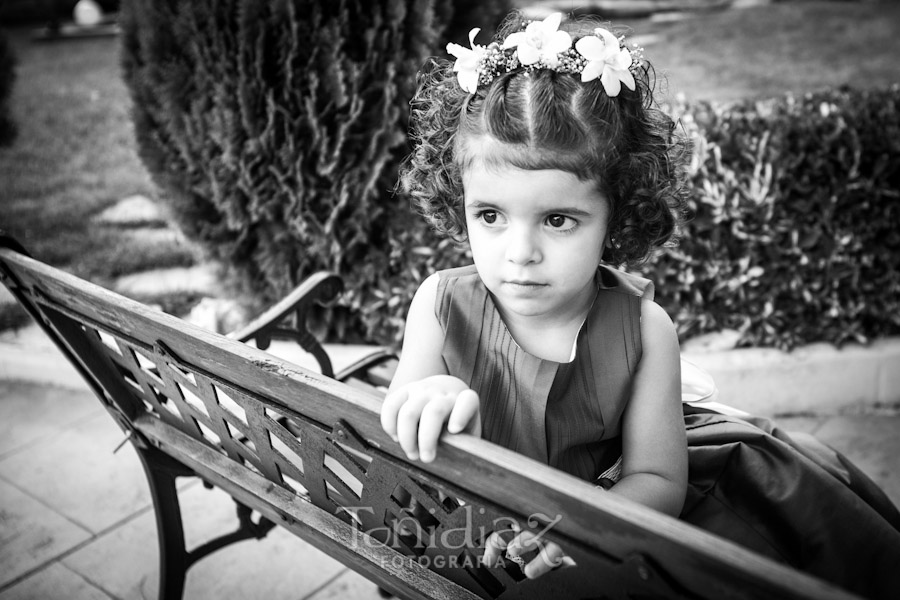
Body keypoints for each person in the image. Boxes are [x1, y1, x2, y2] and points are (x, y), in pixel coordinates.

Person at [381, 11, 900, 597]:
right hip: (478, 536)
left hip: (608, 528)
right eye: (491, 216)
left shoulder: (644, 328)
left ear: (616, 217)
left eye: (558, 220)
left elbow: (656, 477)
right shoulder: (441, 306)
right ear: (462, 204)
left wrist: (583, 523)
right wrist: (431, 397)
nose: (519, 253)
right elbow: (404, 443)